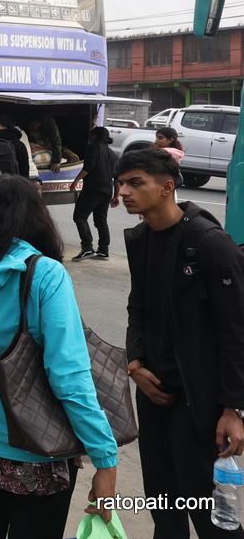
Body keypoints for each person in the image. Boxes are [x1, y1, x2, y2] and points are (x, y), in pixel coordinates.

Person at [0, 175, 118, 537]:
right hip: (40, 455)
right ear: (36, 216)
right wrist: (105, 458)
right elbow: (69, 376)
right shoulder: (45, 275)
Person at [116, 149, 244, 537]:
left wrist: (233, 408)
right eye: (121, 183)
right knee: (163, 502)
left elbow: (235, 331)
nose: (124, 192)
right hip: (155, 395)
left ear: (167, 187)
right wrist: (135, 363)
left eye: (136, 183)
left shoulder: (209, 243)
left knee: (209, 511)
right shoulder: (139, 239)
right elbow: (137, 308)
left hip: (199, 401)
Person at [69, 126, 116, 261]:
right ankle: (103, 250)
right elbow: (118, 177)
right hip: (107, 191)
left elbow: (88, 167)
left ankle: (87, 247)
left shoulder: (93, 148)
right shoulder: (113, 154)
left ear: (95, 136)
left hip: (93, 189)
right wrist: (116, 195)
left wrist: (75, 181)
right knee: (101, 220)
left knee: (79, 217)